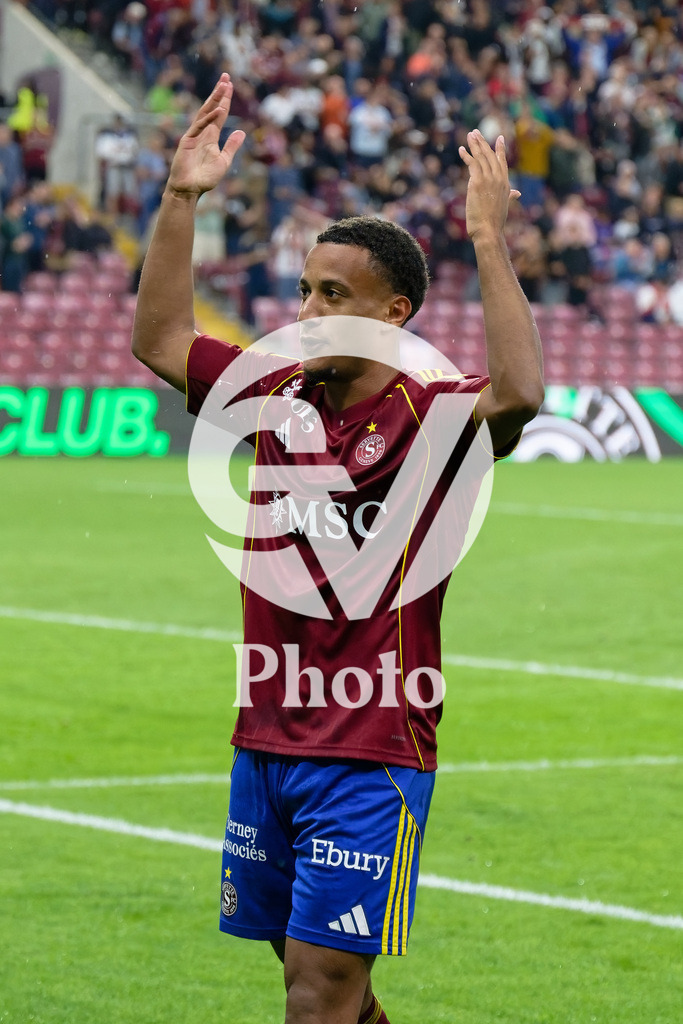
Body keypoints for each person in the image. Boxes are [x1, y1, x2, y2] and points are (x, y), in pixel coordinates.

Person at [131, 74, 544, 1024]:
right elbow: (159, 338)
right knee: (317, 981)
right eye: (305, 287)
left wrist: (487, 238)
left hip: (370, 744)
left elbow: (519, 391)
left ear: (392, 316)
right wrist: (182, 196)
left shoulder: (433, 415)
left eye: (332, 293)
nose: (307, 306)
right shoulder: (275, 397)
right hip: (267, 735)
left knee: (319, 992)